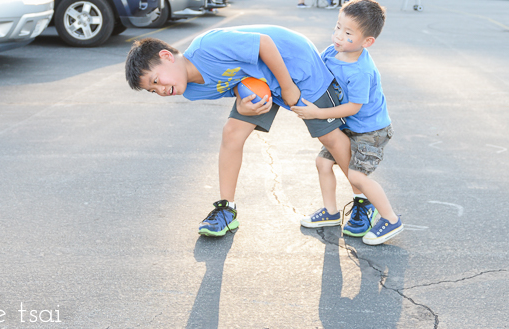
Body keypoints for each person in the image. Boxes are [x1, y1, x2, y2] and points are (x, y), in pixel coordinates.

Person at [125, 27, 355, 237]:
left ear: (166, 56)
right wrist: (243, 104)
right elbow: (233, 78)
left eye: (156, 80)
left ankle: (364, 201)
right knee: (232, 133)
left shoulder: (207, 46)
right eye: (153, 91)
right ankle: (226, 210)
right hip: (259, 79)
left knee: (330, 137)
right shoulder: (192, 91)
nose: (161, 90)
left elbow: (264, 43)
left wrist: (287, 87)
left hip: (292, 62)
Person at [292, 0, 403, 245]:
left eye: (348, 32)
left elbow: (354, 106)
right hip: (348, 125)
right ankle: (331, 213)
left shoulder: (362, 71)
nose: (338, 36)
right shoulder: (332, 52)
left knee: (356, 177)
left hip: (371, 131)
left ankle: (391, 218)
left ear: (367, 42)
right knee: (322, 162)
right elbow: (316, 73)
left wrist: (317, 114)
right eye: (337, 27)